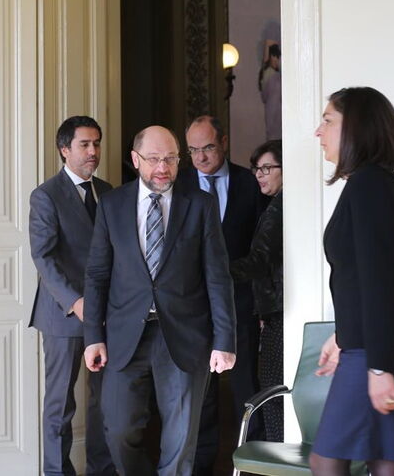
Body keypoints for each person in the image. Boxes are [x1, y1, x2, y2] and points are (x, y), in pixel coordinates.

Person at [83, 125, 237, 476]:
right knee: (118, 430)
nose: (163, 167)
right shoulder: (111, 205)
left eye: (170, 158)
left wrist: (224, 340)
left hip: (184, 336)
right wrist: (93, 336)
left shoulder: (200, 205)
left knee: (182, 439)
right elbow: (96, 276)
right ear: (135, 160)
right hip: (125, 336)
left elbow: (217, 276)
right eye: (153, 159)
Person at [310, 87, 394, 476]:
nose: (318, 131)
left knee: (329, 460)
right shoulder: (372, 183)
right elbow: (364, 278)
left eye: (328, 120)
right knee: (384, 461)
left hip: (378, 350)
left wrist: (378, 367)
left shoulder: (369, 185)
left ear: (356, 129)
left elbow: (379, 282)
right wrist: (342, 336)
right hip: (378, 343)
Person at [175, 115, 267, 472]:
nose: (200, 157)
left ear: (224, 142)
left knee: (246, 387)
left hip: (241, 301)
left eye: (208, 147)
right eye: (193, 150)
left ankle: (253, 463)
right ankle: (200, 466)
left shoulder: (248, 182)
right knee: (202, 395)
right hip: (194, 306)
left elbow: (262, 247)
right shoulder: (179, 185)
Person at [29, 116, 115, 476]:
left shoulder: (109, 192)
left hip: (108, 314)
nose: (93, 151)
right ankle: (55, 471)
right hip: (63, 314)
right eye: (84, 144)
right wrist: (75, 301)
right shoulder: (46, 195)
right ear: (64, 149)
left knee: (106, 403)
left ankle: (102, 470)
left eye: (96, 143)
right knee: (60, 405)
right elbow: (44, 257)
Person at [230, 139, 284, 442]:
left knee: (273, 390)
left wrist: (217, 272)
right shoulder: (275, 204)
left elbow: (259, 261)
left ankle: (278, 459)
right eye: (256, 169)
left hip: (279, 312)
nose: (259, 175)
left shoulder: (279, 208)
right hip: (273, 309)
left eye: (267, 168)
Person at [259, 41, 282, 141]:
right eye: (276, 57)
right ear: (272, 56)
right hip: (274, 109)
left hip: (274, 108)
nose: (277, 61)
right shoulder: (272, 75)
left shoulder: (270, 74)